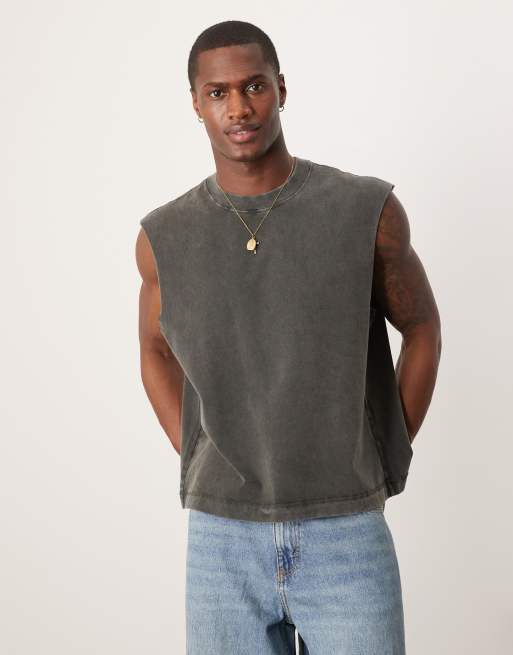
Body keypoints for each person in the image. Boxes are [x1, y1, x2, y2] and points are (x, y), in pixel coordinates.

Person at [135, 19, 442, 655]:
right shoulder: (164, 236)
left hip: (345, 530)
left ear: (281, 88)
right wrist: (198, 451)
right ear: (195, 104)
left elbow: (421, 327)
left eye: (253, 86)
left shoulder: (365, 210)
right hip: (222, 541)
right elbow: (155, 349)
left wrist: (384, 446)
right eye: (217, 93)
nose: (238, 108)